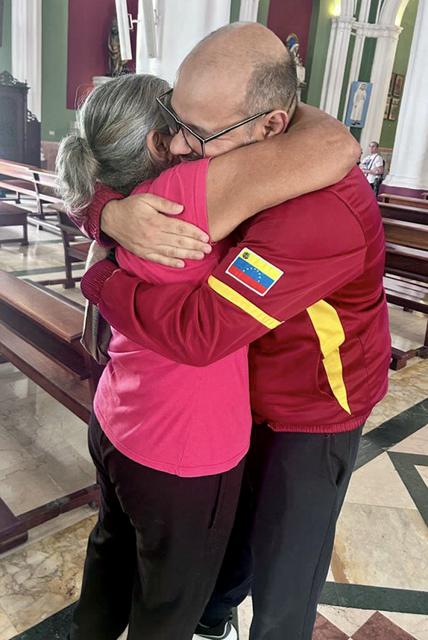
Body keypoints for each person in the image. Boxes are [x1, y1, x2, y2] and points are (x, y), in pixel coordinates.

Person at [77, 24, 391, 640]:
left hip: (312, 409)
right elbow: (116, 163)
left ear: (272, 126)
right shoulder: (231, 152)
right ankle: (213, 618)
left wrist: (101, 276)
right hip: (236, 395)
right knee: (228, 545)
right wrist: (107, 212)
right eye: (175, 119)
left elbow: (199, 333)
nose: (178, 146)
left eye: (197, 133)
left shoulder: (318, 215)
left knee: (283, 571)